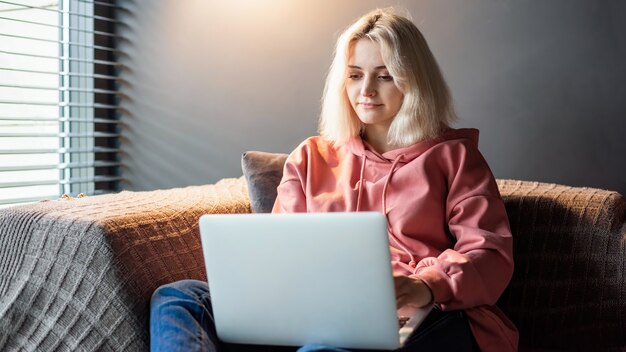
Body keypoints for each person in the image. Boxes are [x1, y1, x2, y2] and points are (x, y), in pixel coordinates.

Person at [150, 8, 518, 352]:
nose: (366, 90)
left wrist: (425, 285)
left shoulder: (455, 157)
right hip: (317, 305)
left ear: (414, 80)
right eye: (355, 75)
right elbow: (282, 249)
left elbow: (489, 254)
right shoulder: (311, 157)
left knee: (328, 344)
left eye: (385, 75)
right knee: (180, 297)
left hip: (426, 311)